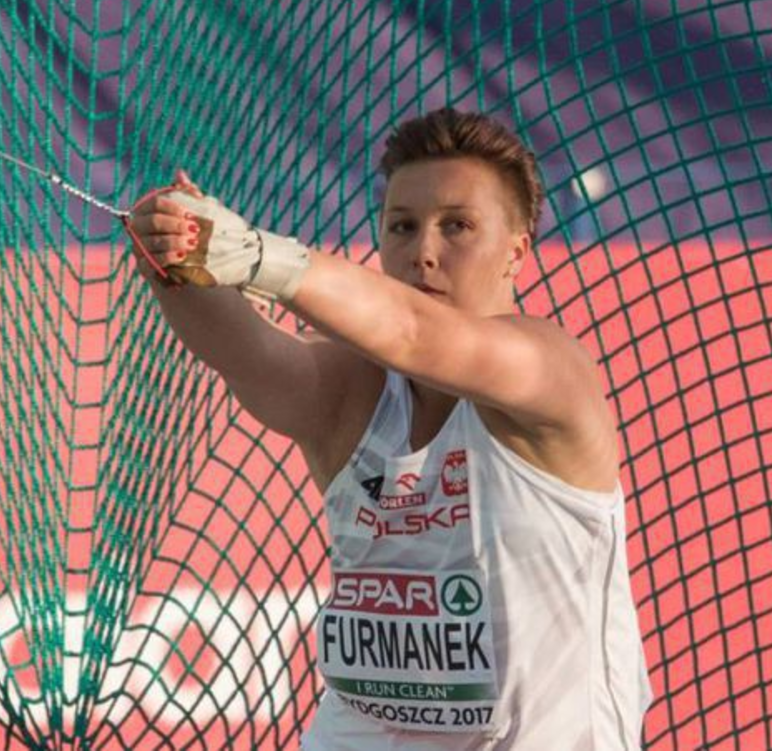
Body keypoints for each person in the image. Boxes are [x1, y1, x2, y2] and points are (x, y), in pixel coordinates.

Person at [126, 108, 653, 749]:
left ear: (516, 251)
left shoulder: (547, 367)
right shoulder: (353, 389)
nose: (424, 251)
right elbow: (247, 354)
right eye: (402, 226)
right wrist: (172, 248)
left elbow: (414, 333)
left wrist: (259, 255)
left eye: (457, 226)